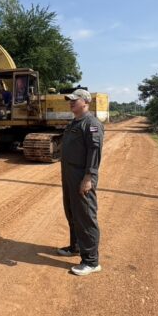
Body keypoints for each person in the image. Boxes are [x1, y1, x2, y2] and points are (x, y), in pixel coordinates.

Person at [57, 88, 104, 276]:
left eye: (74, 100)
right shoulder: (74, 123)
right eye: (70, 100)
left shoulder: (91, 124)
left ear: (85, 102)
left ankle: (91, 261)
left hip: (82, 176)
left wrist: (88, 177)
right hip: (69, 175)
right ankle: (75, 246)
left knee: (85, 216)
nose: (71, 102)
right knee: (71, 212)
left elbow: (94, 152)